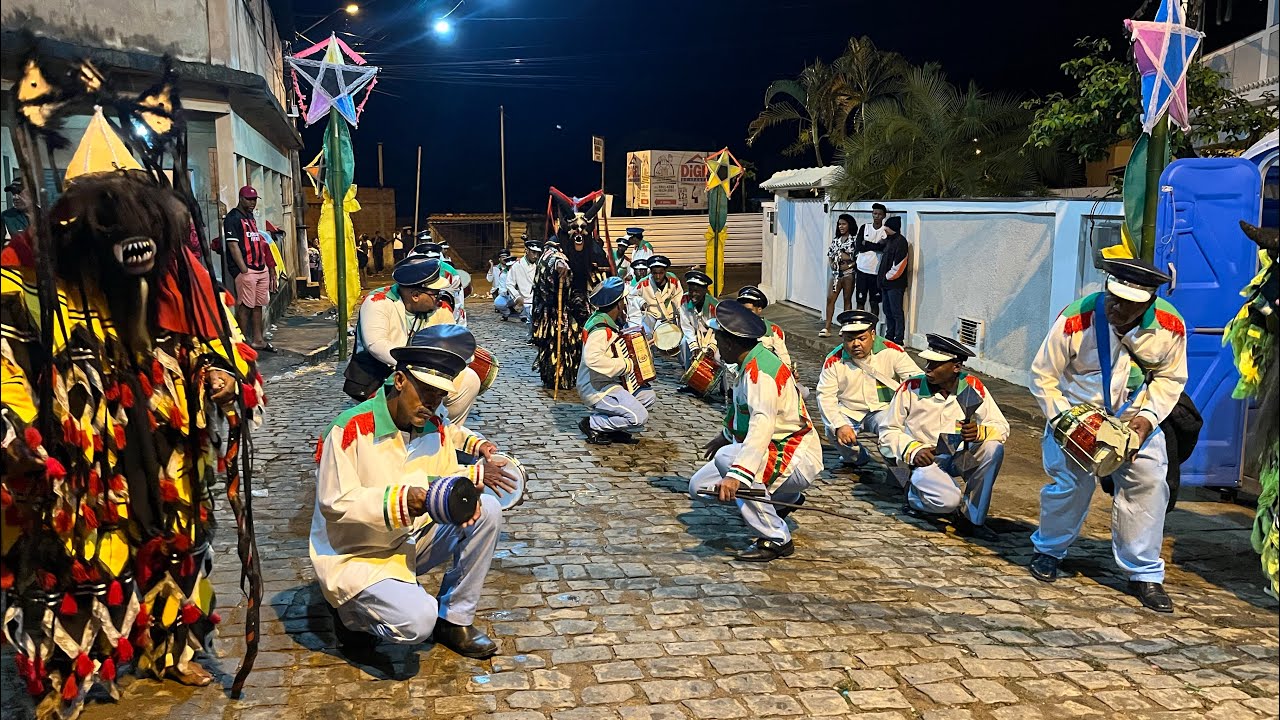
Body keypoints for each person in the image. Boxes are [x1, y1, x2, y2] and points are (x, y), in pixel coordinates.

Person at [311, 325, 510, 658]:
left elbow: (441, 478)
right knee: (417, 623)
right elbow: (335, 503)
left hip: (407, 541)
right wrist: (405, 499)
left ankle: (454, 618)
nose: (432, 403)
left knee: (487, 511)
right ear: (400, 381)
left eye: (440, 396)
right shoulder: (349, 429)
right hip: (357, 553)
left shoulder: (435, 428)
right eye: (425, 391)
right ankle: (350, 615)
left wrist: (467, 485)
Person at [1028, 259, 1188, 613]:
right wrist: (1064, 421)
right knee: (1068, 486)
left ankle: (1144, 573)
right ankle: (1049, 550)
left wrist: (1147, 419)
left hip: (1135, 419)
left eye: (1128, 303)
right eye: (1112, 297)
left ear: (1147, 303)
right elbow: (1042, 375)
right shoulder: (1075, 318)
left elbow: (1170, 378)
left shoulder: (1170, 325)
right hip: (1077, 415)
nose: (1116, 307)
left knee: (1149, 486)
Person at [688, 301, 822, 561]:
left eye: (718, 338)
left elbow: (762, 424)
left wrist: (737, 476)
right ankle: (784, 500)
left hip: (792, 452)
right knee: (699, 486)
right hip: (771, 451)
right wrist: (724, 436)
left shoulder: (761, 372)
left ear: (731, 342)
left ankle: (776, 537)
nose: (715, 345)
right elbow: (741, 410)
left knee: (728, 460)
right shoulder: (747, 364)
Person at [880, 334, 1008, 540]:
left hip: (958, 456)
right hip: (926, 459)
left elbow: (1001, 426)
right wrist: (913, 450)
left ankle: (972, 520)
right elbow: (887, 431)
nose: (928, 368)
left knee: (994, 448)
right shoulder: (911, 387)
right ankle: (913, 496)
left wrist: (979, 432)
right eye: (928, 362)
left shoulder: (971, 386)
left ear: (956, 367)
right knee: (948, 502)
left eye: (936, 364)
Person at [346, 256, 484, 425]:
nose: (439, 297)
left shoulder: (439, 307)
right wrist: (416, 366)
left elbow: (453, 344)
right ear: (416, 295)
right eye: (434, 293)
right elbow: (376, 345)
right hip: (378, 376)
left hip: (425, 374)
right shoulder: (377, 301)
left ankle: (445, 434)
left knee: (469, 379)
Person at [817, 310, 921, 466]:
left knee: (895, 433)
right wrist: (839, 425)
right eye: (850, 339)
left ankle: (898, 467)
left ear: (873, 334)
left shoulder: (892, 351)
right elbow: (825, 395)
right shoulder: (833, 360)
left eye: (861, 338)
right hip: (849, 411)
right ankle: (856, 457)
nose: (856, 344)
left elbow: (915, 381)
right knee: (832, 431)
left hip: (884, 409)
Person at [532, 190, 610, 391]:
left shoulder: (594, 248)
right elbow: (547, 258)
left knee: (584, 343)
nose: (578, 233)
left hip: (585, 303)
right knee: (561, 344)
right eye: (574, 228)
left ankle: (585, 376)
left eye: (583, 228)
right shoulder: (556, 243)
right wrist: (557, 263)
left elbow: (606, 272)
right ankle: (560, 378)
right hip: (561, 307)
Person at [577, 277, 656, 445]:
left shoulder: (605, 321)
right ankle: (593, 424)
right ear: (619, 303)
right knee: (638, 417)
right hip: (596, 388)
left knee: (647, 396)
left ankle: (614, 429)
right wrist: (626, 365)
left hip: (609, 383)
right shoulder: (600, 329)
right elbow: (593, 359)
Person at [224, 185, 277, 351]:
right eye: (249, 199)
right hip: (247, 268)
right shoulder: (233, 218)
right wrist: (243, 269)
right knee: (245, 305)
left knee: (258, 305)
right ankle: (241, 341)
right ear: (241, 198)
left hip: (259, 267)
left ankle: (257, 339)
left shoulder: (250, 216)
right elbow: (233, 245)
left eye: (254, 199)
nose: (252, 202)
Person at [820, 213, 857, 338]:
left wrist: (848, 265)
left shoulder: (854, 240)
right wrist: (832, 264)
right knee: (830, 298)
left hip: (848, 274)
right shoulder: (836, 240)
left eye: (844, 224)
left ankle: (845, 327)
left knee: (847, 299)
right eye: (839, 224)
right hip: (836, 274)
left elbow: (856, 259)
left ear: (849, 225)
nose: (841, 226)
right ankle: (827, 326)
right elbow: (830, 255)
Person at [678, 269, 719, 370]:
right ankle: (689, 375)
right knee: (684, 343)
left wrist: (712, 347)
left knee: (718, 358)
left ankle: (723, 385)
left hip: (711, 337)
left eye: (697, 291)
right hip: (694, 334)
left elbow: (718, 330)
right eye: (691, 290)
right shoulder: (684, 300)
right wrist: (694, 347)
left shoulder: (714, 305)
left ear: (704, 291)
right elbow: (686, 327)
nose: (693, 294)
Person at [878, 215, 909, 345]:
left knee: (896, 311)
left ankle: (898, 339)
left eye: (887, 228)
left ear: (893, 228)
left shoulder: (901, 242)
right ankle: (889, 336)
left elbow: (899, 265)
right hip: (886, 284)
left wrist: (886, 277)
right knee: (887, 311)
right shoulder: (889, 240)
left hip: (895, 284)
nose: (885, 230)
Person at [854, 203, 888, 318]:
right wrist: (876, 246)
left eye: (879, 214)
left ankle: (873, 329)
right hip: (862, 269)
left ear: (883, 216)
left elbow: (884, 248)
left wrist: (867, 244)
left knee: (874, 302)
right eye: (874, 214)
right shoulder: (865, 227)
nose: (876, 216)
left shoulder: (885, 231)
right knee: (860, 300)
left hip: (876, 271)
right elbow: (859, 246)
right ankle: (859, 326)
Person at [637, 255, 682, 337]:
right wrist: (641, 302)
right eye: (655, 273)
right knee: (645, 332)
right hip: (651, 314)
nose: (658, 276)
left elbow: (678, 297)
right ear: (651, 272)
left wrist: (680, 314)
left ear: (665, 271)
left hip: (669, 315)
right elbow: (632, 297)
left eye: (661, 273)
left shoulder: (673, 280)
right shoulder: (643, 283)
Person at [505, 241, 537, 325]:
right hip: (525, 300)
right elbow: (509, 283)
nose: (535, 256)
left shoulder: (539, 265)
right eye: (533, 252)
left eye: (538, 253)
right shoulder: (516, 266)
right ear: (527, 250)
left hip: (537, 301)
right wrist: (517, 296)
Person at [494, 254, 523, 320]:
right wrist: (507, 292)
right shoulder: (503, 274)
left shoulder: (521, 272)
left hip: (520, 294)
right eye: (509, 266)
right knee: (498, 303)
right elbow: (501, 289)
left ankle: (523, 315)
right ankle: (506, 314)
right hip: (508, 296)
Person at [625, 257, 651, 327]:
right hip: (633, 319)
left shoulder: (650, 284)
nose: (642, 272)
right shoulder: (627, 285)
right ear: (634, 271)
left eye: (644, 270)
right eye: (639, 270)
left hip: (648, 318)